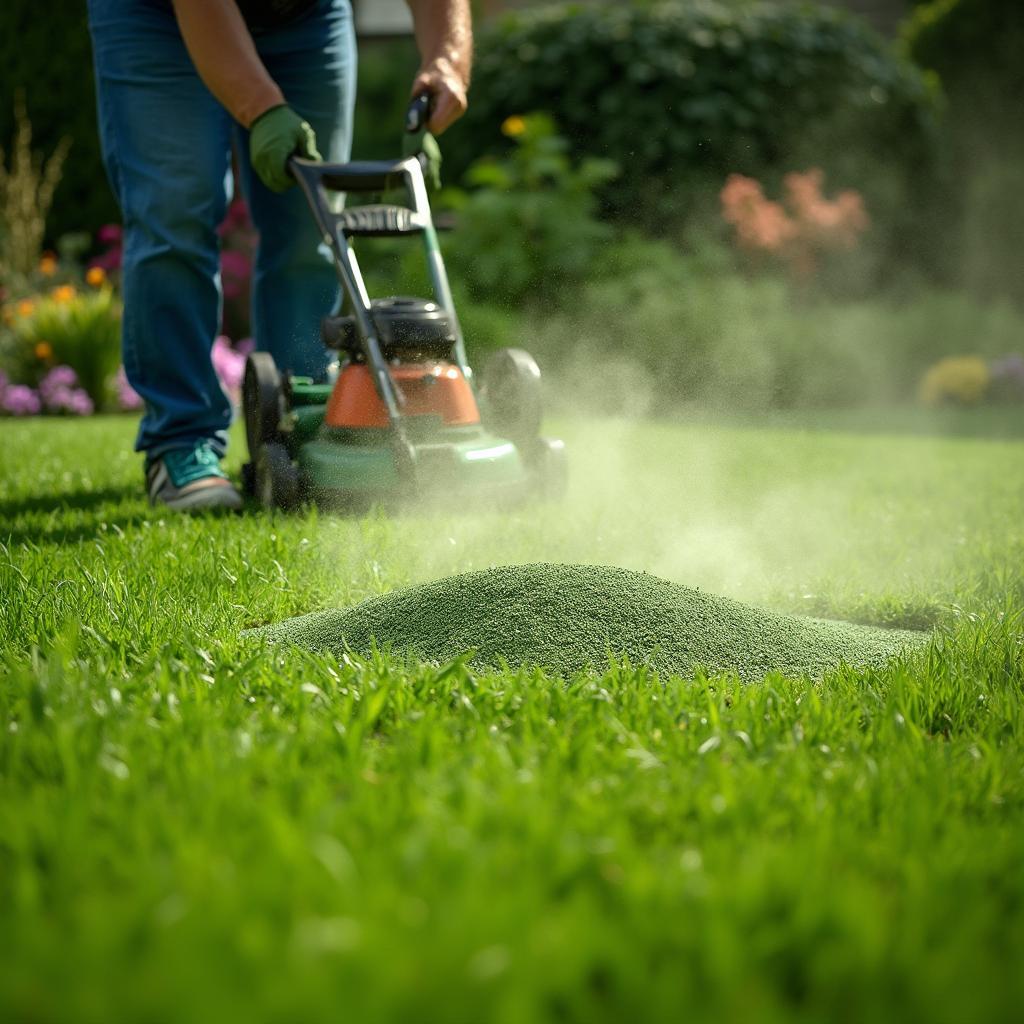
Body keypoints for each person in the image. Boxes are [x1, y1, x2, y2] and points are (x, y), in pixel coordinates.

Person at [86, 0, 472, 510]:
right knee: (173, 214)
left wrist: (447, 61)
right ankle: (181, 442)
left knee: (310, 225)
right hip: (157, 19)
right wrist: (263, 108)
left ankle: (302, 422)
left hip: (305, 19)